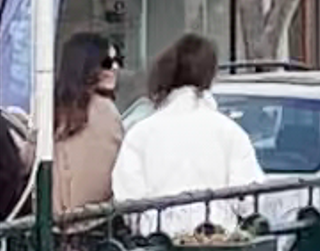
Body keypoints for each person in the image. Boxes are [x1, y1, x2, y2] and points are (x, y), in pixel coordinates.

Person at [110, 32, 267, 234]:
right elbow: (248, 201)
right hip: (216, 241)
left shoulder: (141, 133)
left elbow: (127, 198)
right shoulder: (230, 133)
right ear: (210, 76)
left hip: (157, 244)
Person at [46, 32, 125, 223]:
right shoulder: (105, 112)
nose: (114, 68)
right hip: (95, 228)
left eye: (117, 61)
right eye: (107, 62)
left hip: (51, 228)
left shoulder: (48, 109)